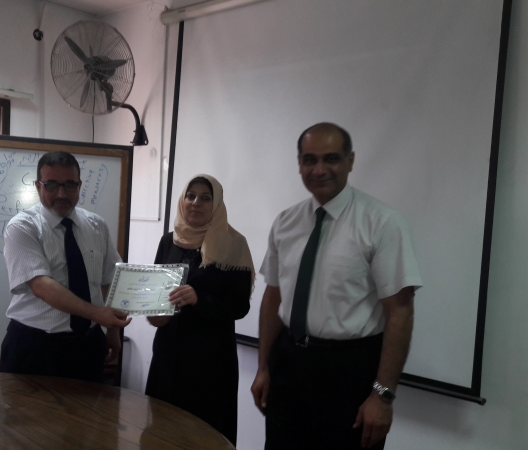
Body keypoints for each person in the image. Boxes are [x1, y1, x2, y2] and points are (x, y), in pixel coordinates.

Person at [251, 123, 423, 449]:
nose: (319, 170)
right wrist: (263, 368)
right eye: (309, 160)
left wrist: (383, 396)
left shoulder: (382, 223)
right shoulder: (286, 222)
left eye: (331, 158)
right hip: (288, 363)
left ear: (350, 161)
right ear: (299, 163)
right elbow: (273, 297)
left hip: (349, 371)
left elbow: (400, 312)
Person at [0, 151, 131, 382]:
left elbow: (110, 280)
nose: (61, 194)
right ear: (38, 186)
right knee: (26, 408)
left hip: (88, 345)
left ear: (79, 185)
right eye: (51, 185)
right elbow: (41, 286)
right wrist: (98, 314)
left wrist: (112, 330)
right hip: (35, 347)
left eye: (69, 185)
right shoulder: (22, 227)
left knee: (89, 407)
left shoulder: (96, 225)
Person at [145, 174, 254, 446]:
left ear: (216, 205)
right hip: (168, 355)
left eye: (205, 198)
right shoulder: (168, 241)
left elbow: (240, 305)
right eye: (191, 195)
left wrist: (200, 299)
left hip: (209, 362)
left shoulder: (233, 244)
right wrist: (151, 312)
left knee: (204, 436)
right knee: (161, 433)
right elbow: (156, 292)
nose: (196, 202)